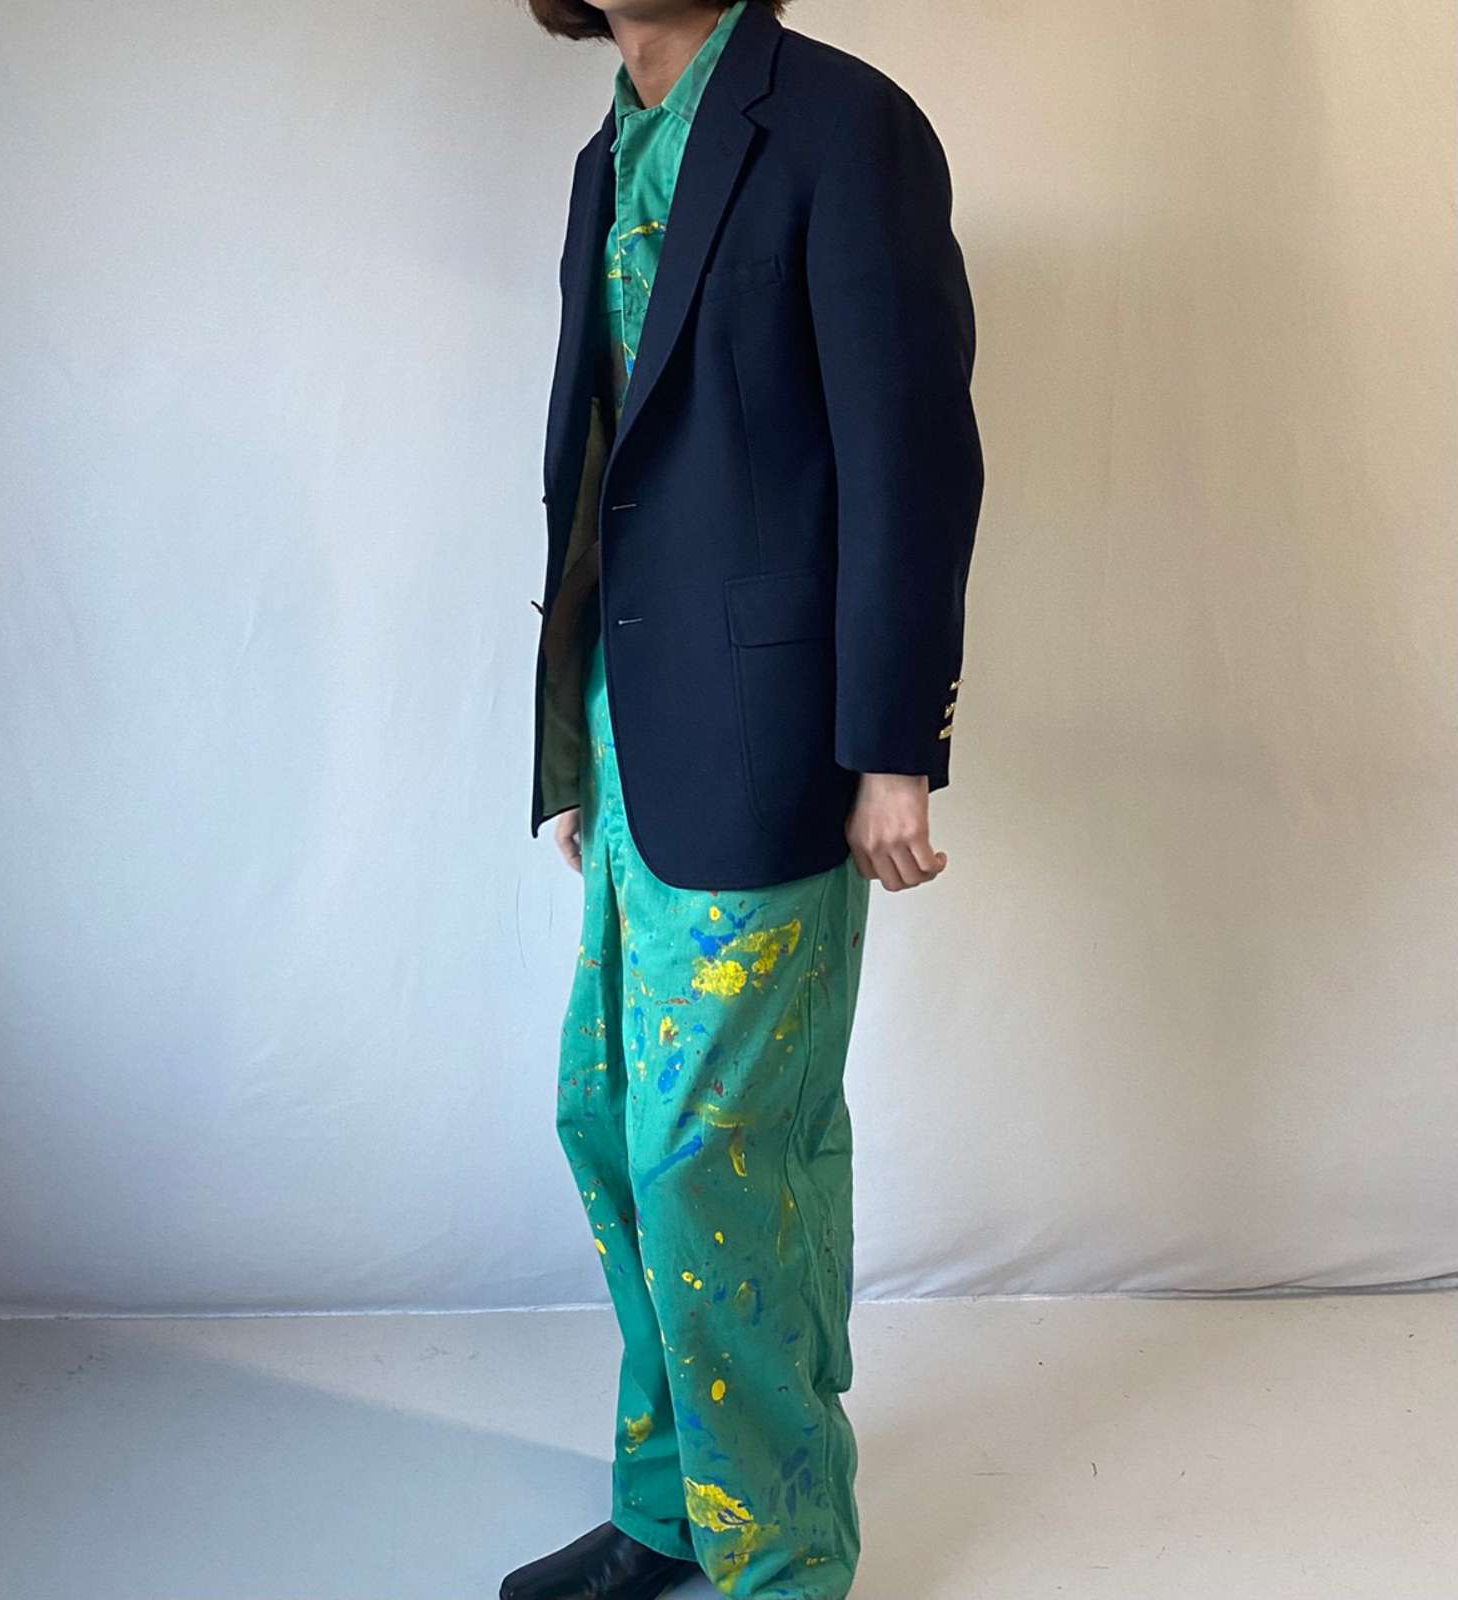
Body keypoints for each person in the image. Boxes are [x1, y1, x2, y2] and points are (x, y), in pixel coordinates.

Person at [506, 2, 983, 1595]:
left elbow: (911, 454)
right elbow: (611, 460)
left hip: (781, 732)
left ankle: (781, 1561)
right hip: (634, 727)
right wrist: (580, 734)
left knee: (721, 1156)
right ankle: (668, 1514)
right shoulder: (611, 152)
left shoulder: (841, 124)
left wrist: (894, 743)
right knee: (608, 1126)